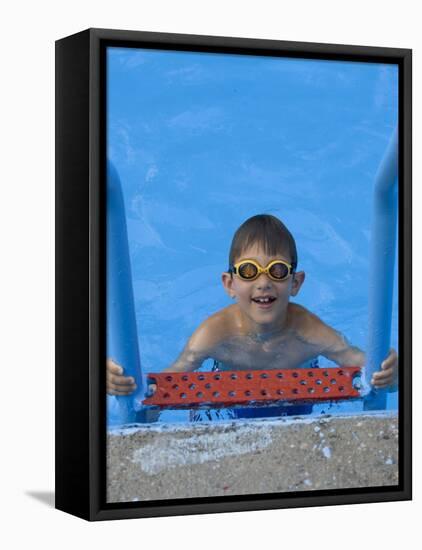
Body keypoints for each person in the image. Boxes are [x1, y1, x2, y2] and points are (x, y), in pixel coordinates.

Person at [107, 214, 398, 419]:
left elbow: (369, 369)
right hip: (228, 406)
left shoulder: (308, 331)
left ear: (295, 283)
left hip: (300, 404)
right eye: (248, 271)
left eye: (278, 270)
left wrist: (395, 375)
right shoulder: (214, 334)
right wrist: (127, 387)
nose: (263, 282)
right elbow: (163, 391)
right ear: (229, 283)